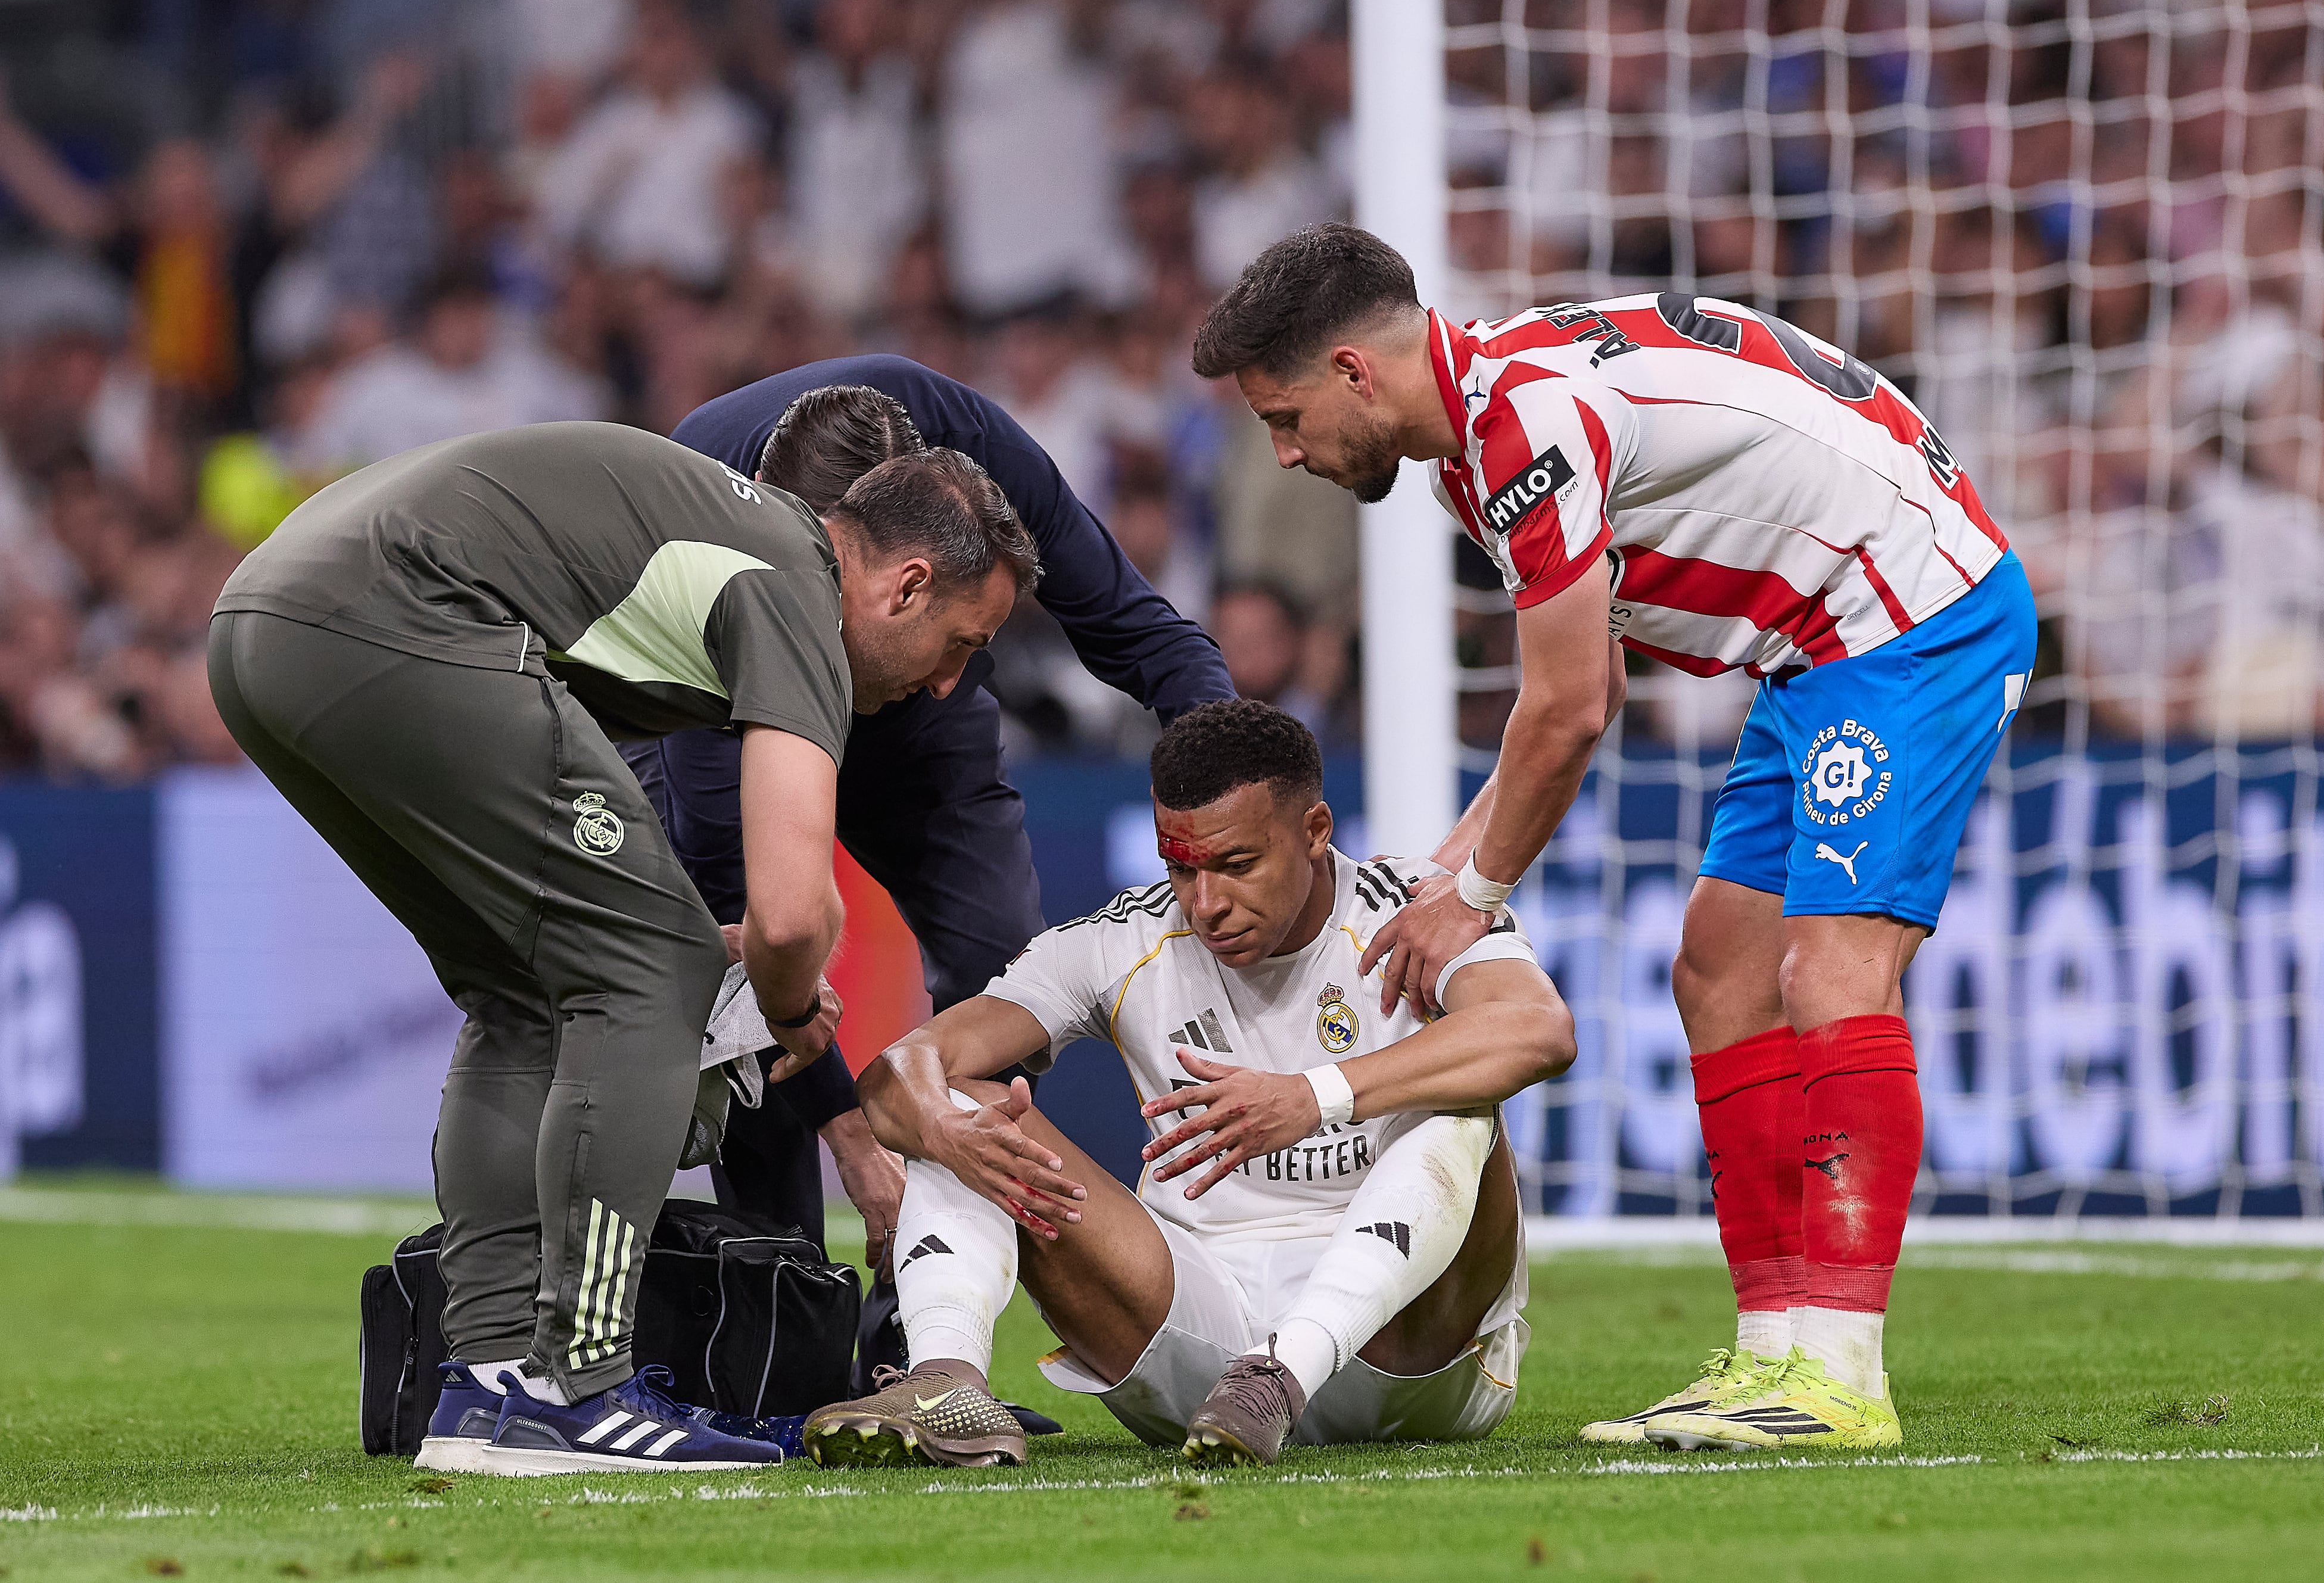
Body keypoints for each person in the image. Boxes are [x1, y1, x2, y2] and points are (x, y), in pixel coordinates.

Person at [1191, 225, 2036, 1451]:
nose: (1285, 451)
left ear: (1350, 371)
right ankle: (1769, 1356)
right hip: (1814, 650)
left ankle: (1841, 1372)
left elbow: (1571, 707)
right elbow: (1592, 689)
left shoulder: (1520, 425)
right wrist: (1442, 877)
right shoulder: (1477, 444)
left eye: (1284, 416)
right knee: (1717, 968)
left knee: (1826, 968)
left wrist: (1468, 891)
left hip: (1914, 614)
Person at [208, 423, 1036, 1473]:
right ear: (906, 587)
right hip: (395, 616)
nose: (946, 685)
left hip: (263, 622)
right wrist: (781, 1006)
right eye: (963, 644)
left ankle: (496, 1381)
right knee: (652, 975)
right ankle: (577, 1381)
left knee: (525, 995)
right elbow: (791, 916)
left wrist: (709, 948)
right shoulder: (796, 587)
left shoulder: (728, 549)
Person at [798, 699, 1575, 1468]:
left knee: (1462, 1104)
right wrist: (937, 1122)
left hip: (1408, 1355)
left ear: (1315, 832)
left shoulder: (1415, 910)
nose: (1207, 904)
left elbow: (1540, 1031)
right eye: (1182, 869)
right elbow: (902, 1070)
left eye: (1237, 866)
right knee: (963, 1105)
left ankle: (1287, 1369)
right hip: (1200, 1349)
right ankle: (946, 1382)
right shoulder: (1125, 940)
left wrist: (1313, 1095)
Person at [630, 359, 1233, 1271]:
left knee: (1005, 978)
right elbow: (749, 921)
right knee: (739, 1009)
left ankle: (931, 1326)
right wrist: (852, 1134)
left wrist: (1234, 797)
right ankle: (789, 1338)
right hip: (719, 694)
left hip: (907, 698)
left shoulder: (982, 469)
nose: (961, 677)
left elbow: (1141, 631)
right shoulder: (705, 563)